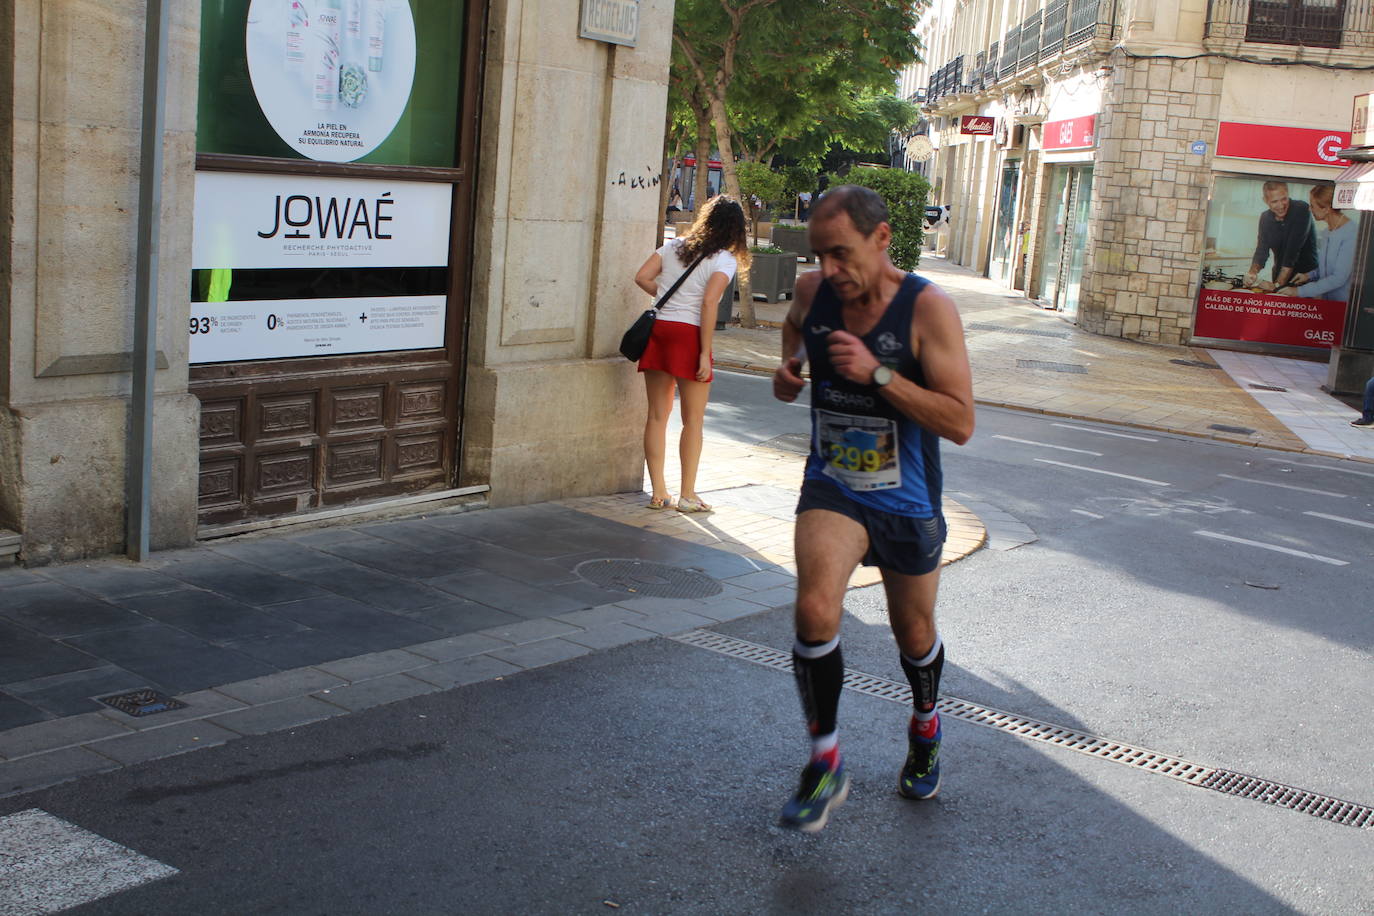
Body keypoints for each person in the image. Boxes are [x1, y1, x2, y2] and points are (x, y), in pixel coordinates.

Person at [771, 185, 974, 832]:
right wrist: (790, 365)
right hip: (833, 485)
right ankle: (825, 762)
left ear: (882, 239)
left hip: (907, 501)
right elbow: (794, 330)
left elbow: (961, 421)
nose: (829, 270)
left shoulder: (927, 310)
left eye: (841, 253)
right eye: (819, 254)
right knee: (813, 607)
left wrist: (879, 375)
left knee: (912, 635)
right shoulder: (812, 293)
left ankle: (926, 723)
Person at [634, 196, 750, 513]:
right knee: (693, 421)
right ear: (736, 229)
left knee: (657, 416)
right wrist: (704, 352)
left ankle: (658, 493)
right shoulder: (724, 259)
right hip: (689, 335)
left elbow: (642, 276)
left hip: (660, 330)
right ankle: (687, 495)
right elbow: (709, 303)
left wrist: (665, 299)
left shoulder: (673, 246)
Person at [1244, 181, 1318, 292]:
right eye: (1274, 201)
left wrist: (1277, 286)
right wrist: (1252, 273)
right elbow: (1261, 251)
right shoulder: (1265, 218)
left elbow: (1292, 253)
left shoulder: (1301, 209)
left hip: (1305, 279)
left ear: (1288, 194)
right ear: (1265, 201)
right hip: (1279, 276)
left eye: (1284, 199)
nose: (1281, 206)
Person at [1294, 183, 1356, 303]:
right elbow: (1327, 268)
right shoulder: (1328, 232)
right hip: (1328, 302)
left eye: (1312, 206)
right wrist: (1308, 276)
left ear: (1326, 209)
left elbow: (1338, 278)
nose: (1309, 209)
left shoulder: (1351, 233)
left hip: (1344, 306)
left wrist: (1299, 291)